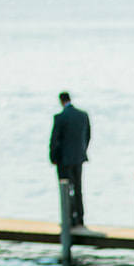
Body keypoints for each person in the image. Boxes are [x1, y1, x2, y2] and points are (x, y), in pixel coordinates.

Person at [49, 91, 91, 228]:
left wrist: (53, 157)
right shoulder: (83, 115)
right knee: (78, 188)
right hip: (79, 158)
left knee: (66, 189)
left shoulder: (60, 118)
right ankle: (80, 218)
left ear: (61, 101)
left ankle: (69, 218)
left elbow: (55, 140)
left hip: (64, 160)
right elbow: (88, 136)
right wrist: (82, 151)